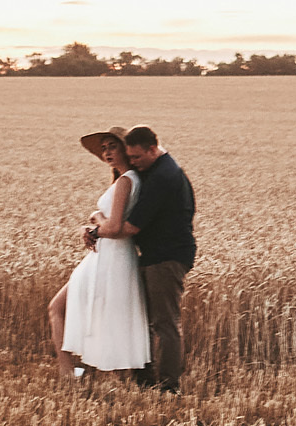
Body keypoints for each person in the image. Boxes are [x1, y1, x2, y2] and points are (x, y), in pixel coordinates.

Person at [48, 127, 151, 380]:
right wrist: (97, 226)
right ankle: (87, 374)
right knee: (106, 314)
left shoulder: (127, 180)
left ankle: (69, 374)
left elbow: (114, 226)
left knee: (59, 308)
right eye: (103, 148)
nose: (106, 152)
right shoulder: (126, 180)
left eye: (112, 146)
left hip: (110, 255)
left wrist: (94, 222)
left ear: (125, 149)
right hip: (107, 253)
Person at [121, 124, 195, 392]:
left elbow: (131, 227)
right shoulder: (162, 170)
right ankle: (147, 379)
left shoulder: (163, 176)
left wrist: (98, 228)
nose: (133, 162)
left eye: (137, 157)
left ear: (153, 148)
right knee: (155, 320)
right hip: (161, 254)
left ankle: (168, 386)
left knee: (165, 322)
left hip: (166, 257)